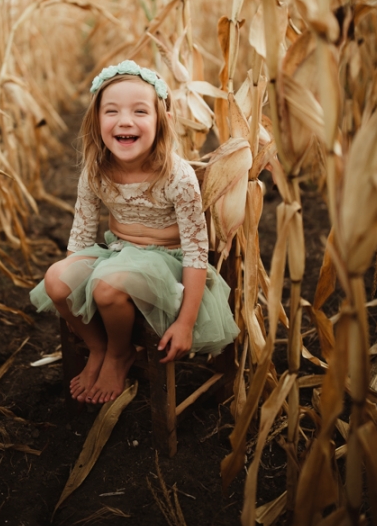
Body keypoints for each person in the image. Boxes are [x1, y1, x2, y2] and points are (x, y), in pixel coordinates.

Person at [30, 60, 239, 404]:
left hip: (168, 267)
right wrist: (75, 288)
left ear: (163, 121)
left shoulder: (177, 176)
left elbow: (196, 250)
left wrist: (185, 323)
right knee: (56, 280)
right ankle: (98, 348)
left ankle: (118, 354)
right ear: (97, 122)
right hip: (117, 253)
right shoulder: (96, 172)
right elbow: (81, 237)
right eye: (111, 111)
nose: (125, 120)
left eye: (140, 111)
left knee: (108, 286)